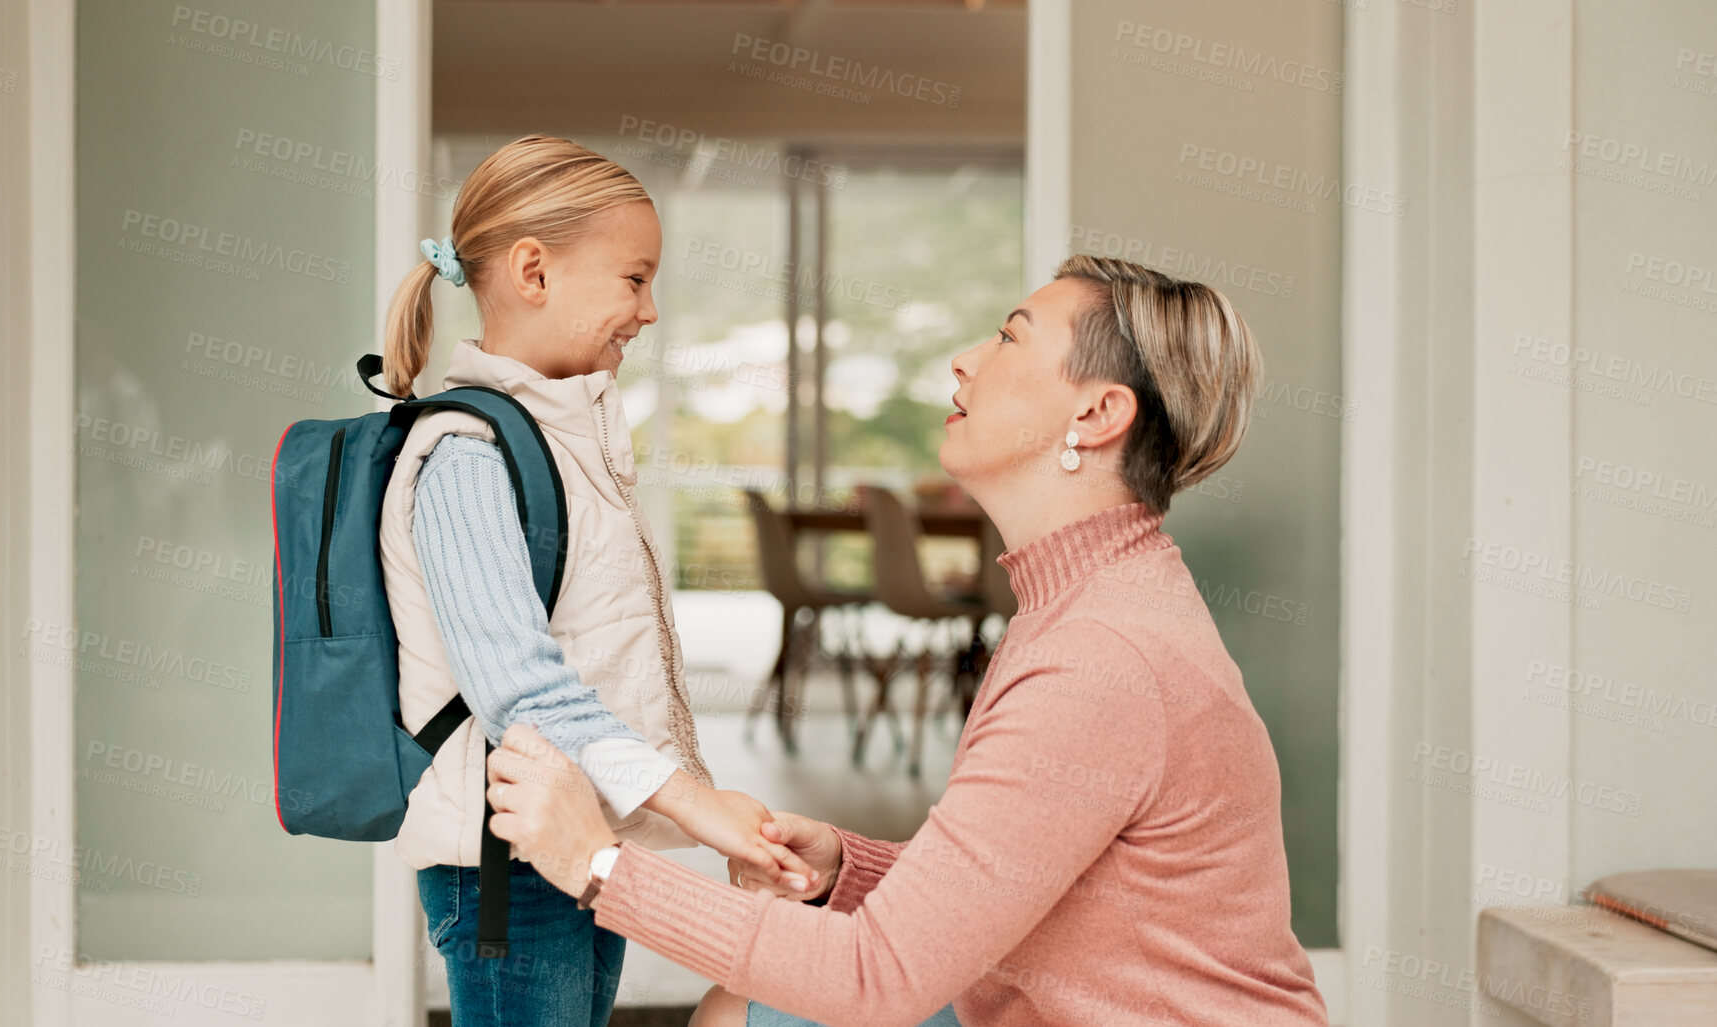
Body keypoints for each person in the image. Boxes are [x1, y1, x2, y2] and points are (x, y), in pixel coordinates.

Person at [483, 255, 1331, 1026]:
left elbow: (875, 981)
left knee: (743, 1015)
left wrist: (595, 863)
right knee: (742, 1006)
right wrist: (848, 867)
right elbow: (1037, 879)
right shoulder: (1086, 601)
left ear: (1098, 412)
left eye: (1008, 338)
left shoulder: (1100, 657)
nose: (964, 360)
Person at [377, 135, 817, 1027]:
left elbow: (608, 653)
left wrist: (700, 798)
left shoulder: (565, 437)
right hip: (504, 866)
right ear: (533, 271)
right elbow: (520, 692)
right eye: (633, 279)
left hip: (576, 841)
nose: (649, 310)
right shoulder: (468, 455)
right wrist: (698, 811)